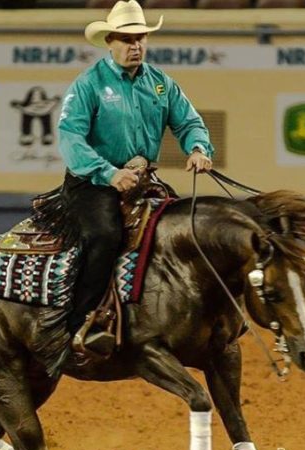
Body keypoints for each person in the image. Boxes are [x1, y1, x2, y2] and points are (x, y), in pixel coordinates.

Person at [58, 0, 214, 355]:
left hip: (143, 181)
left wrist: (199, 149)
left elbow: (188, 122)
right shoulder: (89, 84)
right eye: (127, 39)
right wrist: (109, 173)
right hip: (93, 183)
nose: (136, 46)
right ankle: (82, 322)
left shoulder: (160, 84)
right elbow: (70, 137)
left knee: (178, 230)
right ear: (110, 42)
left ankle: (166, 317)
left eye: (140, 38)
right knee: (105, 234)